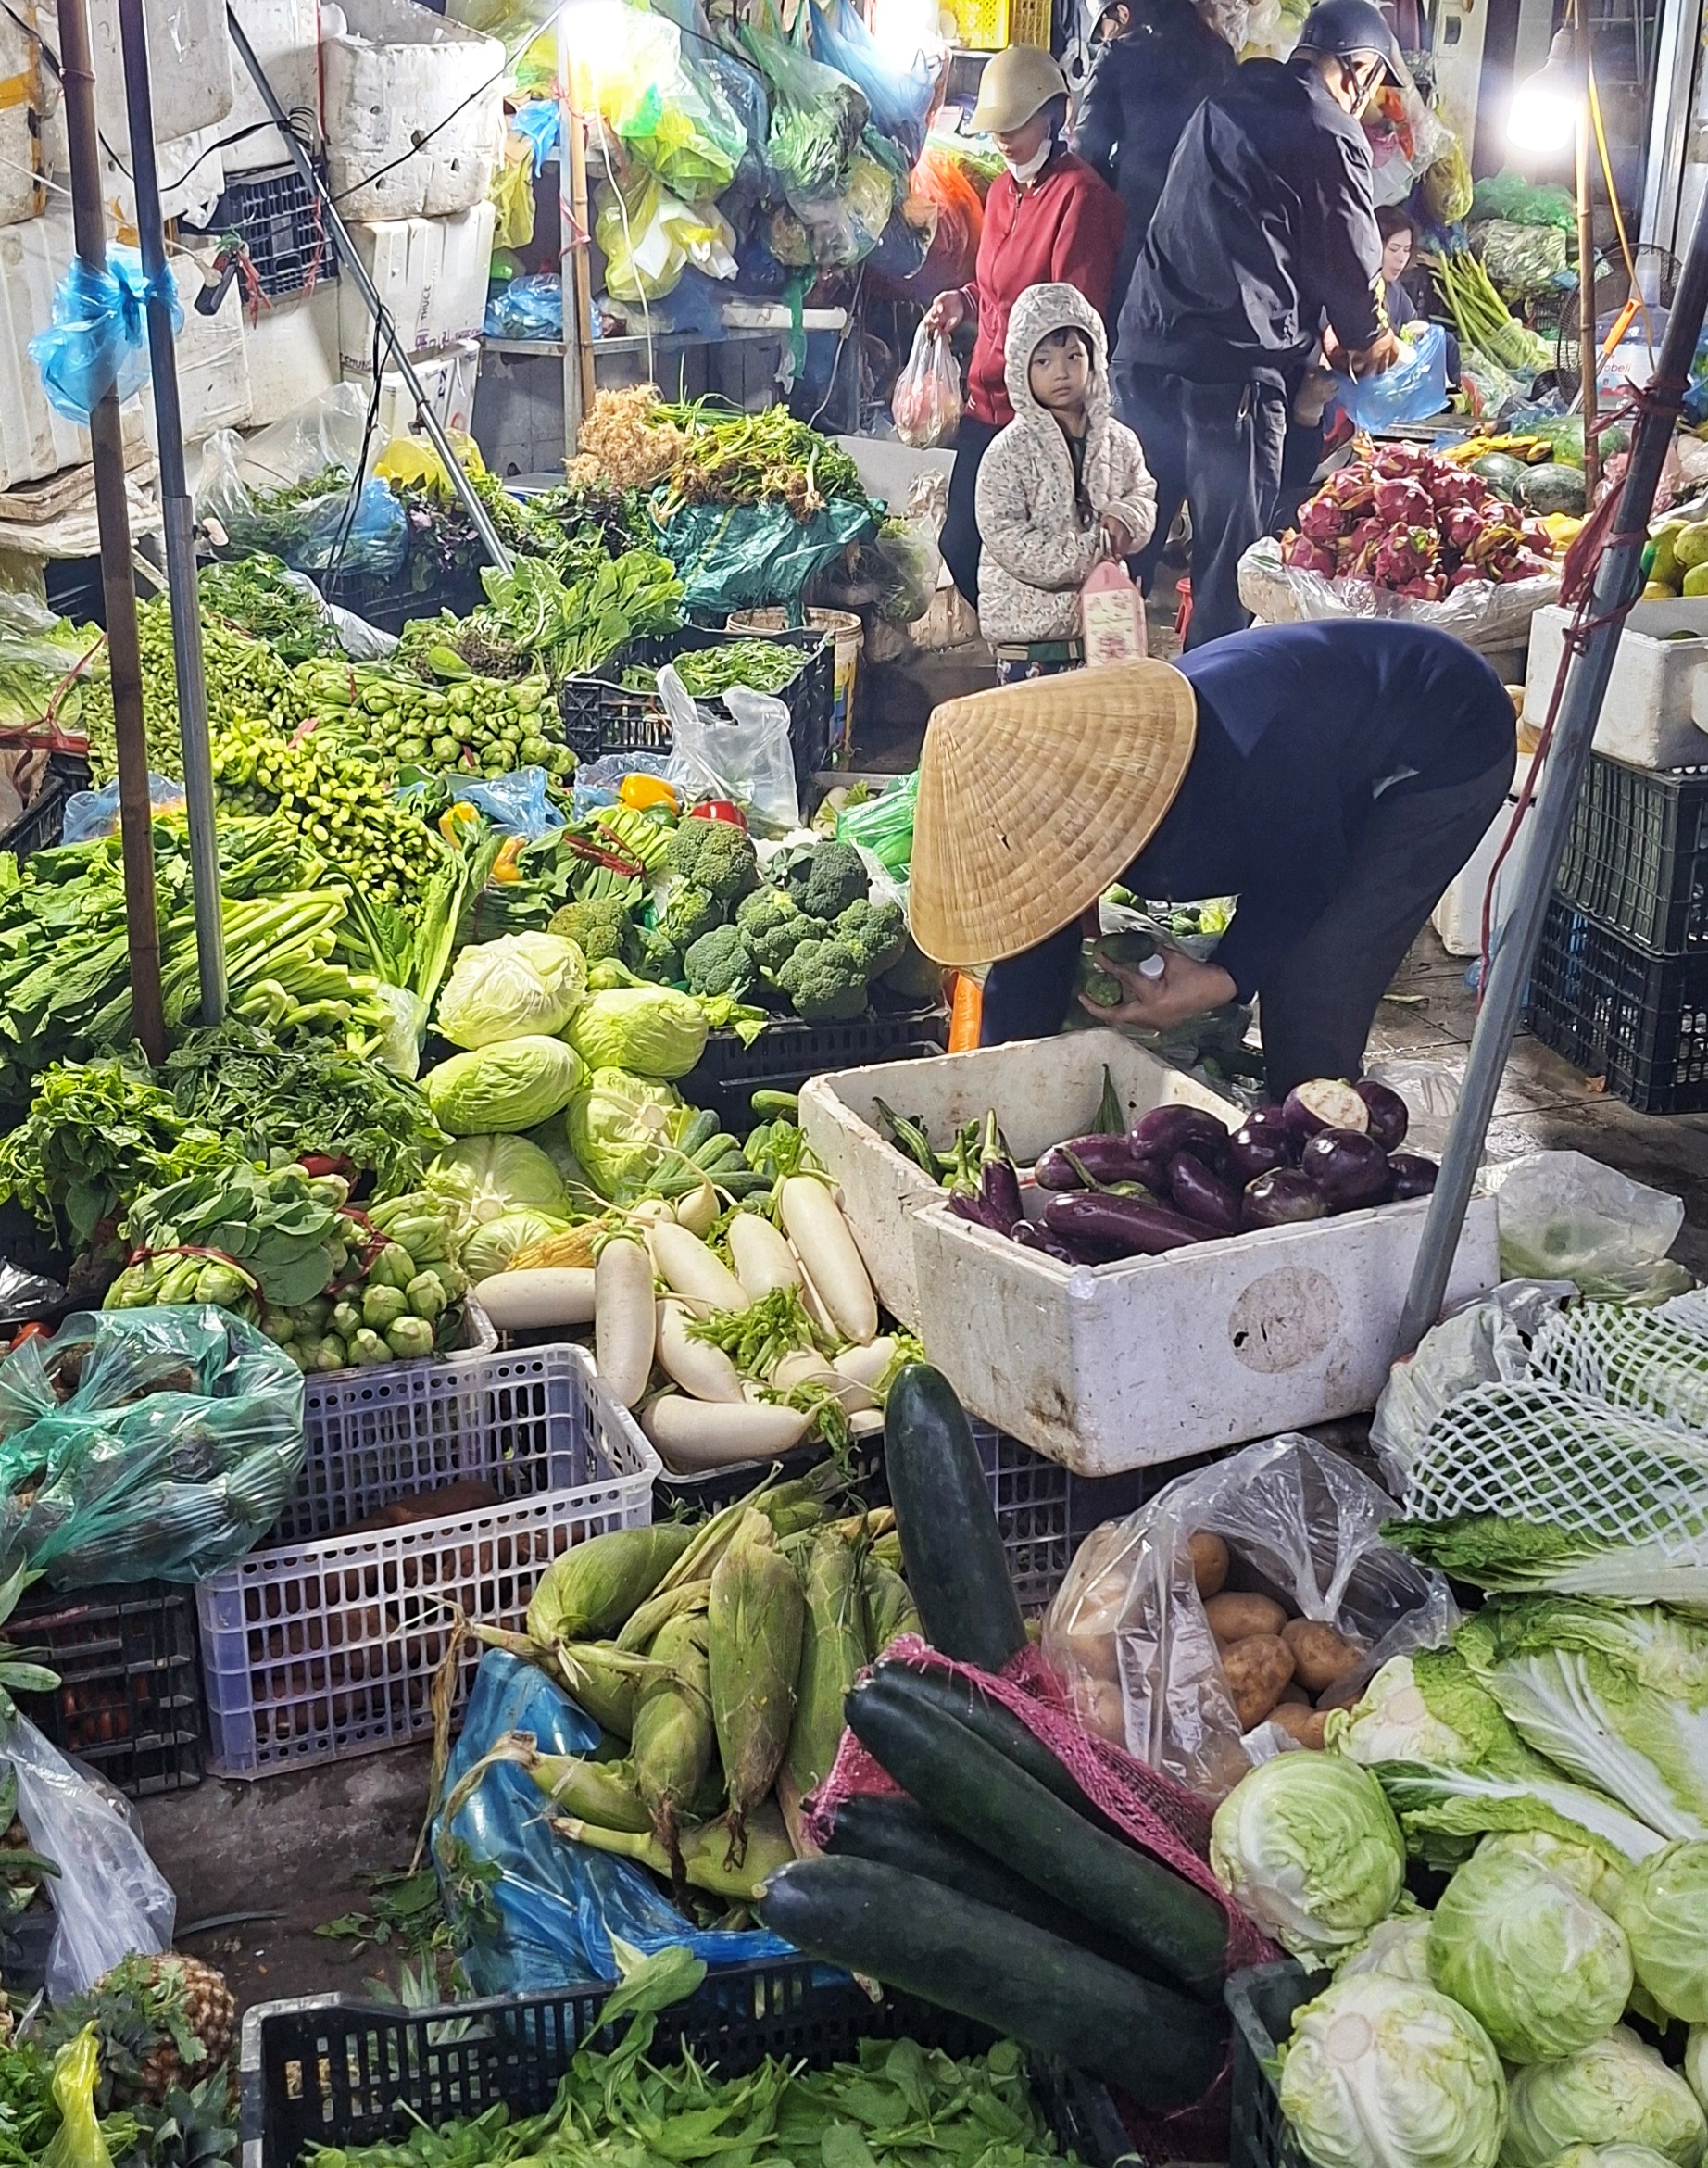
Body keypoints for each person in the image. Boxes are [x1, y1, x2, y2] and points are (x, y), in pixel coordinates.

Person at [907, 621, 1515, 1099]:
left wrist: (1222, 979)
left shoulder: (1239, 756)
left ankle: (1321, 1147)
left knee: (1313, 975)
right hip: (1323, 755)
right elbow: (1035, 946)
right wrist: (997, 1083)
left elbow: (1307, 874)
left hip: (1444, 740)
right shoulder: (1073, 797)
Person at [1113, 0, 1406, 649]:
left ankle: (1096, 696)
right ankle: (1208, 705)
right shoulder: (1328, 126)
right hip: (1231, 379)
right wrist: (1370, 336)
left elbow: (1254, 234)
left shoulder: (1225, 99)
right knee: (1229, 578)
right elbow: (1350, 257)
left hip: (1146, 356)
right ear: (1358, 70)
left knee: (1122, 554)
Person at [924, 45, 1124, 615]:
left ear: (1052, 117)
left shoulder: (1081, 199)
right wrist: (962, 302)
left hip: (1036, 418)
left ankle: (1039, 654)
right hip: (984, 405)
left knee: (1036, 558)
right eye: (996, 129)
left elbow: (1075, 325)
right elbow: (995, 288)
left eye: (1015, 126)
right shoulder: (1002, 192)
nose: (1004, 140)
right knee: (961, 544)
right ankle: (1016, 644)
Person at [973, 283, 1157, 680]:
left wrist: (1128, 518)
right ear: (1021, 370)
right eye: (1043, 361)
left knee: (1103, 718)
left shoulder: (1120, 441)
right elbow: (1005, 535)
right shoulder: (1007, 452)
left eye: (1074, 356)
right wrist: (1091, 550)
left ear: (1094, 358)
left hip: (1105, 630)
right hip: (1029, 639)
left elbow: (1144, 493)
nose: (1061, 372)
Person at [1070, 0, 1236, 341]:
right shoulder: (1218, 52)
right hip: (1208, 230)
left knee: (1128, 339)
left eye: (1104, 27)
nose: (1105, 36)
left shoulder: (1119, 55)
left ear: (1123, 12)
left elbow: (1089, 151)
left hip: (1141, 224)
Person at [1376, 203, 1461, 379]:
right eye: (1394, 249)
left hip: (1400, 365)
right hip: (1376, 373)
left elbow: (1412, 322)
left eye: (1406, 250)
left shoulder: (1394, 288)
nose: (1401, 258)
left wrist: (1423, 329)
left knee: (1448, 343)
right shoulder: (1360, 291)